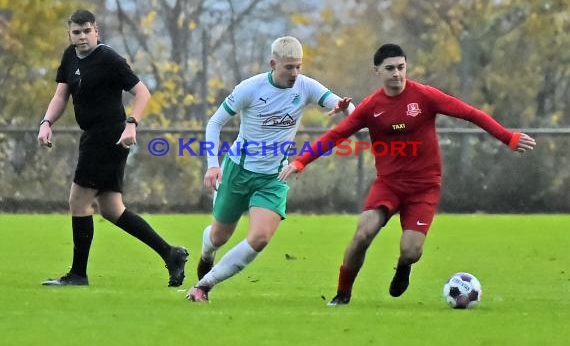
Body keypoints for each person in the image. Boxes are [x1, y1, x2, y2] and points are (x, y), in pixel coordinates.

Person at [278, 43, 536, 305]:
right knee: (363, 233)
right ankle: (343, 294)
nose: (397, 74)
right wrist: (301, 162)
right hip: (388, 185)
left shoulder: (424, 96)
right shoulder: (371, 106)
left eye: (401, 67)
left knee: (411, 251)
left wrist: (508, 137)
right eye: (390, 69)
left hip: (424, 187)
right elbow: (336, 135)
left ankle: (404, 266)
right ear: (377, 70)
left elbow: (471, 114)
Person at [186, 36, 355, 302]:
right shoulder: (250, 88)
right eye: (289, 67)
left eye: (298, 66)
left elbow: (346, 109)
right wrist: (212, 165)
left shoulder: (305, 86)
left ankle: (204, 285)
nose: (295, 73)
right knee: (219, 237)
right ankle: (207, 253)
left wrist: (346, 110)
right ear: (273, 63)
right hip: (237, 171)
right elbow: (214, 123)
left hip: (273, 177)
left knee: (261, 237)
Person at [37, 9, 188, 287]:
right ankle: (171, 253)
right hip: (93, 135)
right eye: (76, 32)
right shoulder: (70, 56)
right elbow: (61, 94)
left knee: (78, 200)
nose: (81, 37)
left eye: (86, 31)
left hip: (109, 137)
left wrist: (132, 123)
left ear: (97, 31)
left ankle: (78, 275)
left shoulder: (109, 59)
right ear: (69, 34)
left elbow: (142, 93)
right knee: (111, 208)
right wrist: (47, 122)